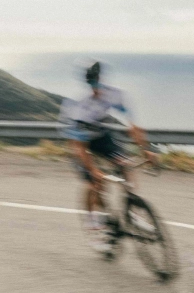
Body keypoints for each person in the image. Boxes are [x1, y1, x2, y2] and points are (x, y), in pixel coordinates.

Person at [58, 60, 157, 252]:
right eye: (93, 83)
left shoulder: (114, 94)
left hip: (101, 136)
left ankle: (132, 208)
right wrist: (94, 170)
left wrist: (146, 149)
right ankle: (93, 225)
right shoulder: (80, 109)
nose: (97, 86)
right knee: (94, 183)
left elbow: (133, 127)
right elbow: (79, 147)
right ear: (89, 83)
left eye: (98, 80)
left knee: (126, 164)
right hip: (79, 142)